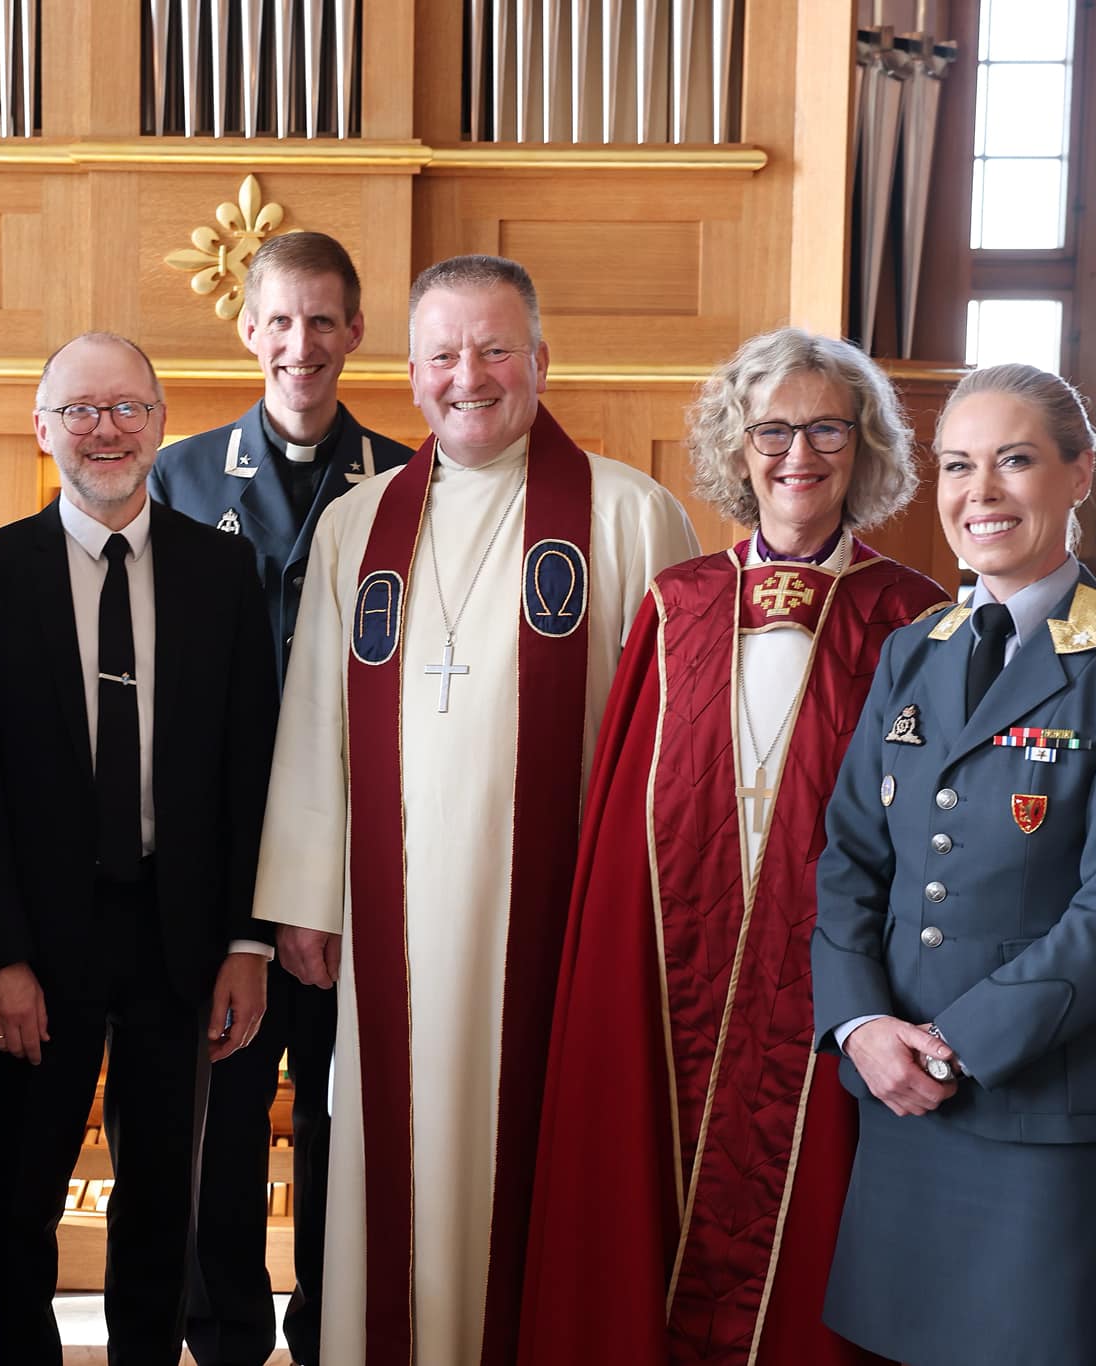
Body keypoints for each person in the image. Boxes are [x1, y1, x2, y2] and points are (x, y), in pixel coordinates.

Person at [257, 254, 702, 1365]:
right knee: (392, 1166)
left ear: (540, 361)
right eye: (445, 354)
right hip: (393, 931)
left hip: (558, 932)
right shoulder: (357, 525)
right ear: (410, 372)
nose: (470, 376)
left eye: (496, 349)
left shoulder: (629, 515)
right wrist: (305, 897)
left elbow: (670, 751)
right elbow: (314, 715)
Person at [519, 329, 947, 1366]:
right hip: (675, 967)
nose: (798, 454)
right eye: (771, 431)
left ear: (863, 448)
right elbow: (620, 830)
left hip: (834, 979)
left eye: (827, 430)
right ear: (735, 445)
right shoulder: (679, 605)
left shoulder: (910, 617)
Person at [812, 363, 1096, 1365]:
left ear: (1080, 473)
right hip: (901, 1101)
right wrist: (861, 1028)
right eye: (956, 465)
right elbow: (849, 859)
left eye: (1013, 460)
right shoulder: (914, 652)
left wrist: (950, 1044)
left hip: (1043, 1115)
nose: (978, 492)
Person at [0, 333, 279, 1366]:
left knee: (163, 1204)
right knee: (21, 1199)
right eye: (80, 411)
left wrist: (248, 942)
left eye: (127, 408)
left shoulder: (223, 571)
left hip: (180, 934)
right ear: (41, 430)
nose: (106, 430)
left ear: (160, 423)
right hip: (39, 941)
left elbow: (249, 769)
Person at [148, 230, 412, 1366]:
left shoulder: (406, 479)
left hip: (357, 855)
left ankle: (329, 1331)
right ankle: (225, 1337)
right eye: (281, 320)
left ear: (355, 332)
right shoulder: (179, 475)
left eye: (322, 320)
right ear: (247, 328)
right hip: (221, 861)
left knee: (340, 1117)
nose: (300, 343)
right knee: (222, 1121)